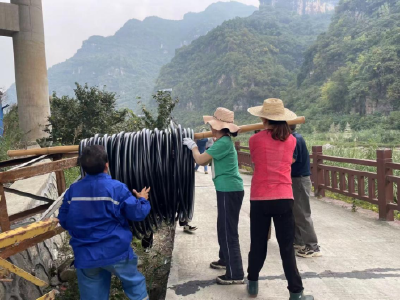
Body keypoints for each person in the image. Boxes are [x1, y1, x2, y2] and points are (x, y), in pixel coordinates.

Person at [58, 145, 151, 300]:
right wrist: (142, 199)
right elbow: (137, 213)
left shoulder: (73, 191)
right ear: (107, 164)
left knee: (92, 296)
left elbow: (64, 220)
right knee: (134, 285)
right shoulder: (117, 188)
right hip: (117, 252)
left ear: (84, 168)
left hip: (86, 257)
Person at [246, 98, 314, 300]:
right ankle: (296, 292)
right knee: (286, 247)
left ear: (263, 118)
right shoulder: (292, 140)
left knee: (257, 243)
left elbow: (256, 161)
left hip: (259, 198)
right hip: (284, 197)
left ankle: (252, 283)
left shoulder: (254, 140)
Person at [183, 107, 245, 285]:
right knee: (223, 227)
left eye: (212, 126)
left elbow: (201, 160)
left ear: (217, 127)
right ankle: (225, 259)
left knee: (228, 231)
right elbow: (208, 159)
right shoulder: (221, 142)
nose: (210, 128)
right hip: (226, 189)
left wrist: (193, 147)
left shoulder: (223, 143)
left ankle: (236, 273)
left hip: (229, 190)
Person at [290, 125, 321, 258]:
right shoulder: (295, 137)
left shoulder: (294, 139)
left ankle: (312, 246)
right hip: (297, 179)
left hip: (299, 180)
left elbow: (291, 160)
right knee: (296, 212)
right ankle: (299, 241)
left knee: (302, 213)